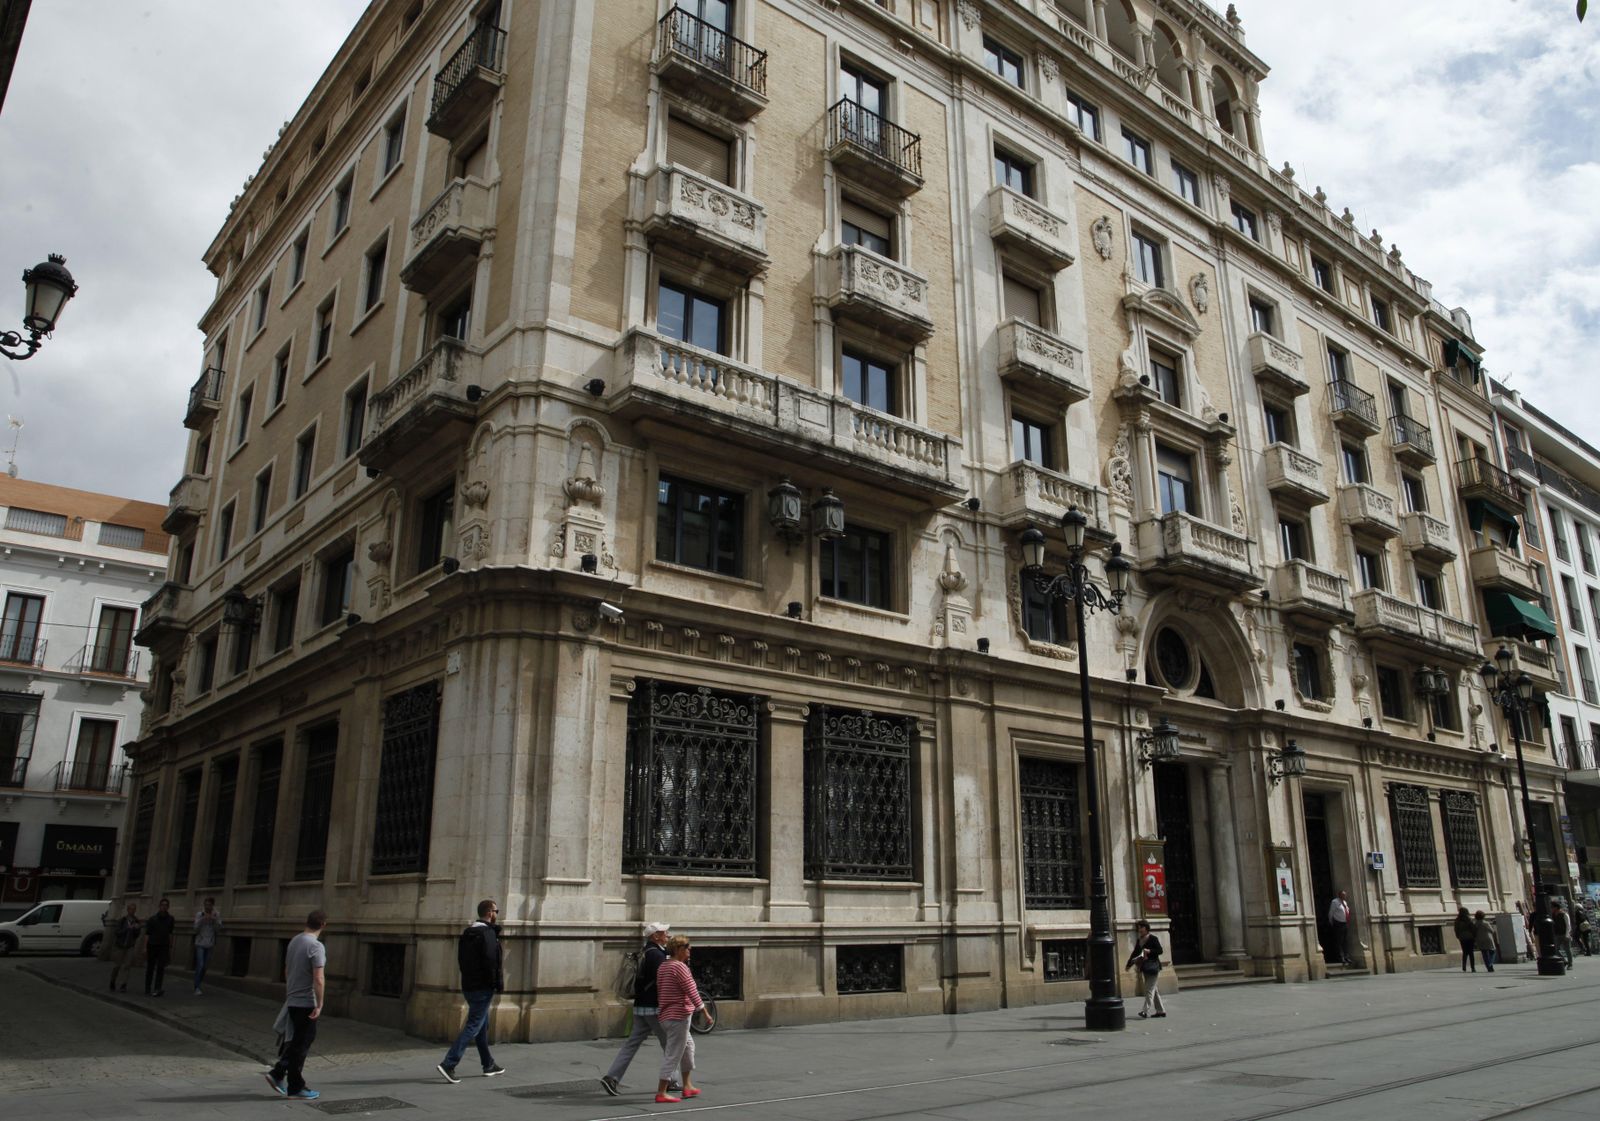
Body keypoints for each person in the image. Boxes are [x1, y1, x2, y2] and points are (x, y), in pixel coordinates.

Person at [437, 899, 507, 1083]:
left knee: (482, 1025)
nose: (496, 914)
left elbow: (462, 960)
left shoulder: (468, 932)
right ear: (490, 913)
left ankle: (488, 1064)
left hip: (469, 985)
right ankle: (449, 1063)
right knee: (474, 1024)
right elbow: (492, 962)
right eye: (496, 911)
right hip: (483, 987)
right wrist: (496, 984)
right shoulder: (487, 933)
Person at [602, 921, 672, 1097]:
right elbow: (663, 981)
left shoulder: (646, 951)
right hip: (653, 1007)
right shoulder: (657, 955)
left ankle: (612, 1077)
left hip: (641, 1005)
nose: (668, 935)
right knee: (670, 1044)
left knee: (632, 1043)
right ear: (655, 936)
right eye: (665, 932)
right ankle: (672, 1080)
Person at [265, 910, 328, 1102]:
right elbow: (318, 978)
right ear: (323, 925)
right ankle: (295, 1086)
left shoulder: (294, 941)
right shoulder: (316, 946)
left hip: (292, 998)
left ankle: (279, 1073)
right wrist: (320, 1004)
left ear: (307, 922)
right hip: (306, 1001)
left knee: (297, 1041)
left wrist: (291, 990)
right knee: (302, 1042)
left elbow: (286, 970)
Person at [655, 935, 710, 1103]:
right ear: (678, 949)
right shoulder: (680, 967)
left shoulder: (663, 966)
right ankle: (661, 1092)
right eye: (687, 947)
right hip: (678, 1016)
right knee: (673, 1053)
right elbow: (692, 990)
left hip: (667, 1015)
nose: (689, 950)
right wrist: (704, 1011)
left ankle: (687, 1086)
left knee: (688, 1047)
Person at [1124, 920, 1167, 1019]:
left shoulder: (1153, 938)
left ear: (1146, 928)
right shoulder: (1139, 940)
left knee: (1149, 990)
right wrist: (1129, 964)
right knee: (1153, 990)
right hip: (1145, 967)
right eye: (1138, 928)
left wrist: (1149, 951)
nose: (1139, 929)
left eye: (1141, 927)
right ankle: (1161, 1011)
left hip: (1153, 967)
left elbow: (1160, 950)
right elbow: (1135, 953)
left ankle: (1145, 1011)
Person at [143, 898, 176, 997]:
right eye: (162, 905)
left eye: (166, 905)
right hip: (152, 945)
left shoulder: (170, 919)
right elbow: (147, 934)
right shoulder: (152, 919)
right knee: (150, 967)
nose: (164, 907)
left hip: (163, 946)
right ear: (159, 906)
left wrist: (170, 946)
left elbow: (170, 933)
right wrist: (145, 947)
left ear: (168, 907)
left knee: (161, 968)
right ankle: (147, 988)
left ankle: (157, 988)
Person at [108, 902, 142, 992]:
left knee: (127, 965)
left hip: (130, 946)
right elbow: (117, 932)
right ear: (128, 910)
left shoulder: (136, 921)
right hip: (120, 945)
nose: (132, 911)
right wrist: (127, 928)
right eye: (131, 909)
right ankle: (112, 980)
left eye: (134, 909)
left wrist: (136, 929)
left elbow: (137, 935)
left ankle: (123, 984)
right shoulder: (122, 920)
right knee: (117, 965)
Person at [193, 898, 223, 995]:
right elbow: (195, 929)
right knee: (200, 964)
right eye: (205, 904)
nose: (207, 907)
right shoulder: (200, 914)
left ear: (212, 905)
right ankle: (197, 987)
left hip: (210, 943)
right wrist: (202, 919)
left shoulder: (216, 914)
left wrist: (214, 920)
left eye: (209, 905)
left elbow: (218, 929)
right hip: (200, 943)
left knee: (205, 966)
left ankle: (198, 982)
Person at [1327, 890, 1353, 966]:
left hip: (1345, 923)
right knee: (1339, 941)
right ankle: (1341, 957)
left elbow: (1346, 911)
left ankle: (1346, 957)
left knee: (1345, 941)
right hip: (1338, 923)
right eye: (1343, 895)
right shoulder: (1335, 902)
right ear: (1340, 895)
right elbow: (1331, 913)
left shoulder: (1345, 902)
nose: (1345, 896)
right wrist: (1332, 922)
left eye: (1345, 895)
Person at [1453, 905, 1477, 972]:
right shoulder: (1469, 919)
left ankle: (1464, 966)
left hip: (1462, 937)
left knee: (1465, 952)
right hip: (1470, 937)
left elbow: (1456, 929)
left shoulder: (1457, 920)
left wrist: (1458, 935)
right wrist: (1474, 935)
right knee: (1471, 953)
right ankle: (1473, 967)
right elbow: (1473, 928)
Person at [1551, 901, 1574, 967]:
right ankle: (1564, 960)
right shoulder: (1553, 915)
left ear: (1556, 907)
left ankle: (1570, 964)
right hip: (1557, 934)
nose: (1551, 909)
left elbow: (1568, 925)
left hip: (1564, 934)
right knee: (1555, 949)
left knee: (1567, 949)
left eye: (1552, 907)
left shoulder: (1564, 914)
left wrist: (1567, 935)